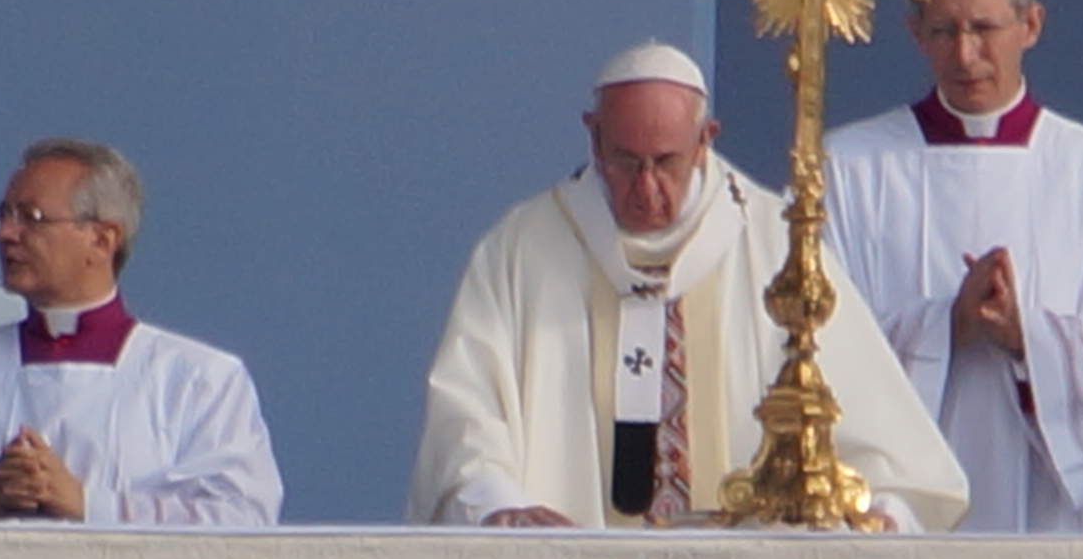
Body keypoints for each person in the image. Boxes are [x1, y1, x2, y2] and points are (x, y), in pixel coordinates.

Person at [414, 44, 967, 530]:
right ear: (593, 134)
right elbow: (468, 410)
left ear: (706, 140)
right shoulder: (524, 249)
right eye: (626, 162)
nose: (646, 189)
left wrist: (881, 511)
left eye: (666, 162)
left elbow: (879, 433)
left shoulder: (777, 246)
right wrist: (498, 503)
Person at [818, 0, 1083, 536]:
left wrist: (1030, 341)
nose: (966, 55)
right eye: (944, 30)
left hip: (1055, 518)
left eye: (985, 28)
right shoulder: (845, 171)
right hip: (894, 520)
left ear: (1032, 24)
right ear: (915, 34)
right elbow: (801, 352)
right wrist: (947, 326)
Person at [0, 140, 281, 525]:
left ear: (101, 240)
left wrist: (87, 504)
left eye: (31, 218)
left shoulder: (198, 380)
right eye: (3, 216)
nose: (5, 234)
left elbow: (242, 522)